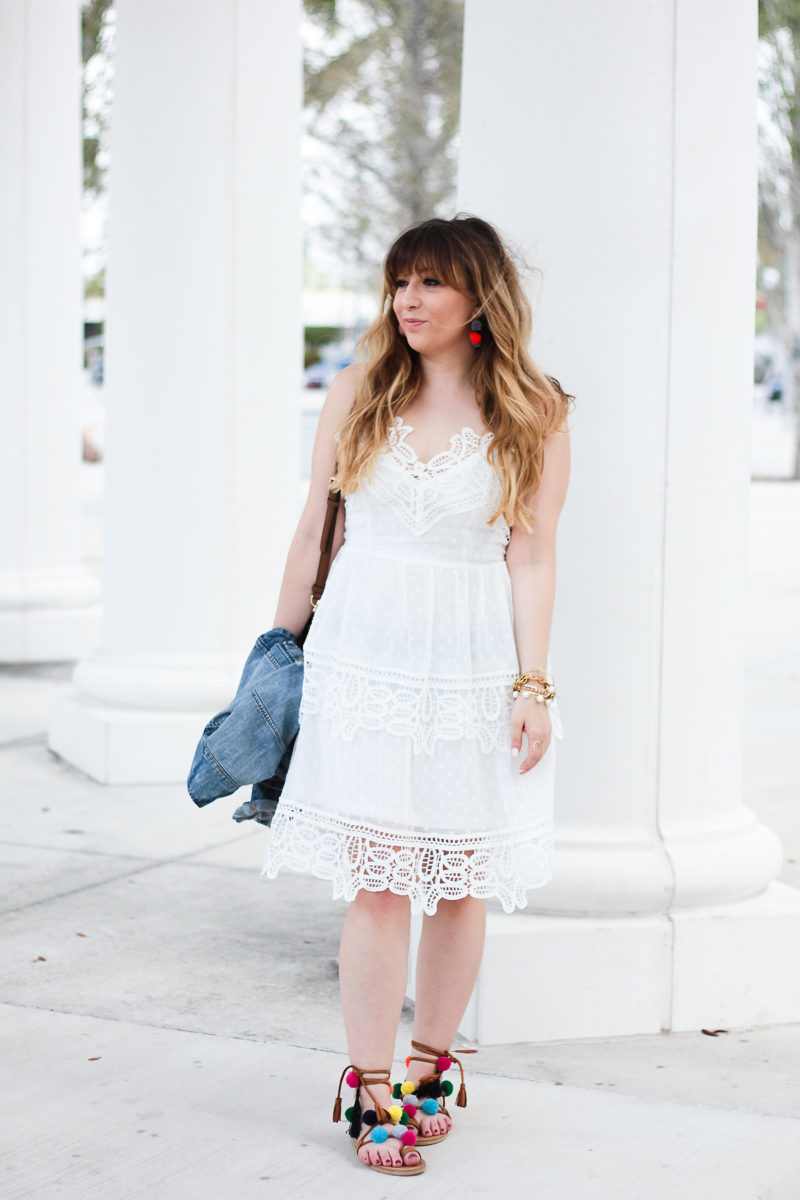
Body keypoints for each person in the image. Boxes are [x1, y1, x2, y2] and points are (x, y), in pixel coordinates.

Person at [263, 214, 572, 1177]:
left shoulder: (537, 410)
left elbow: (531, 555)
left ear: (480, 297)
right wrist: (277, 651)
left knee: (460, 873)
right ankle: (368, 1083)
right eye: (400, 282)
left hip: (473, 662)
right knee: (382, 874)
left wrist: (533, 685)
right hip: (363, 657)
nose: (409, 300)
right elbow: (317, 525)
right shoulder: (358, 392)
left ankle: (434, 1064)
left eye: (431, 283)